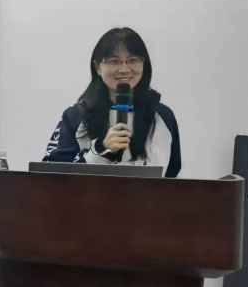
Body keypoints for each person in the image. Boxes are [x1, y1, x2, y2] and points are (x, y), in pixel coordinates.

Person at [42, 27, 181, 177]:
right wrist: (100, 149)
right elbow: (51, 174)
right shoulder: (76, 115)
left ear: (143, 65)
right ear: (97, 67)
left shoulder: (163, 116)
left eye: (133, 60)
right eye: (114, 61)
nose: (124, 69)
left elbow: (172, 176)